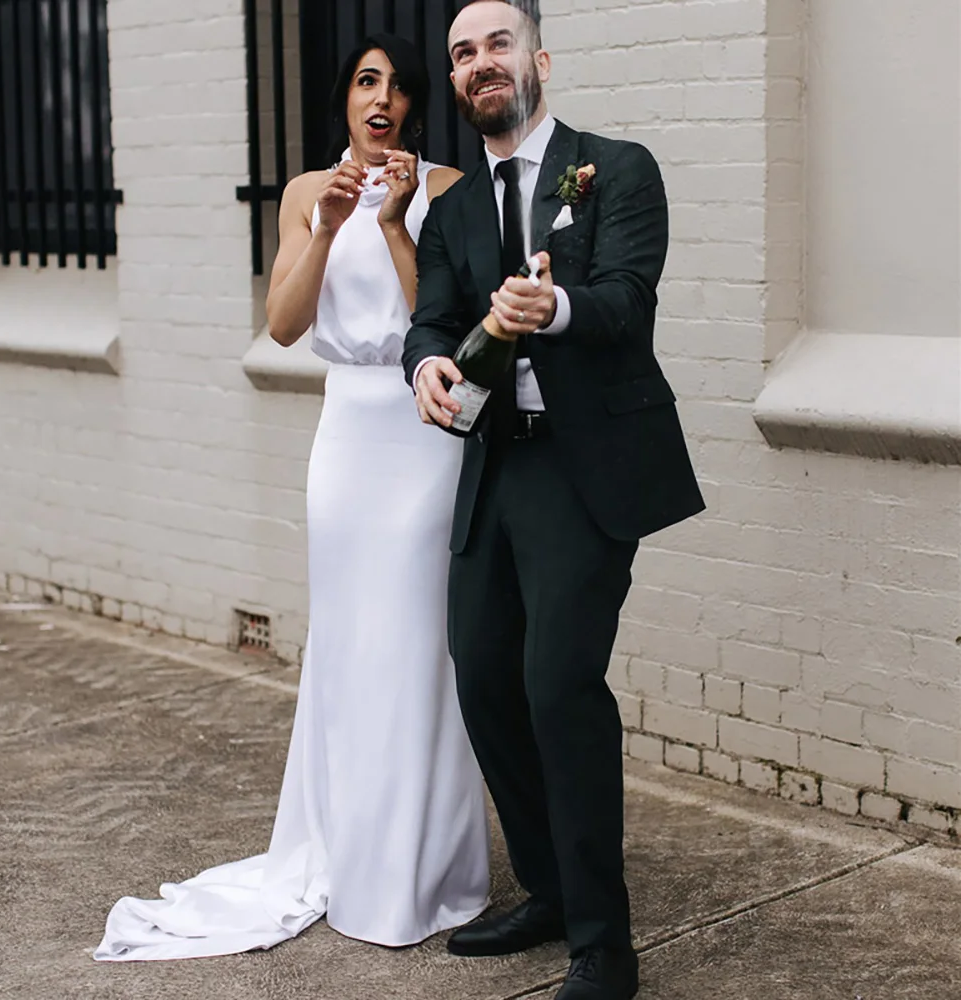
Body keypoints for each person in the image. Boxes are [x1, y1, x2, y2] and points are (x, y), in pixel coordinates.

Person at [94, 34, 490, 962]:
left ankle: (417, 871)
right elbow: (282, 325)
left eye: (395, 85)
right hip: (344, 442)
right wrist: (327, 225)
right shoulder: (309, 194)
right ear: (344, 101)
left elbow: (449, 319)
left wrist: (394, 223)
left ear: (418, 104)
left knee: (418, 647)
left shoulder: (446, 194)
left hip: (422, 435)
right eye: (363, 82)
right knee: (352, 650)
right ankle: (349, 852)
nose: (379, 98)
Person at [403, 2, 705, 997]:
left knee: (556, 685)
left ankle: (602, 940)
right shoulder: (448, 212)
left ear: (537, 59)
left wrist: (557, 305)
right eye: (461, 54)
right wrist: (428, 368)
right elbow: (432, 322)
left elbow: (627, 297)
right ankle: (544, 887)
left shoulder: (614, 169)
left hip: (585, 471)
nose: (479, 64)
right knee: (481, 672)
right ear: (455, 82)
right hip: (496, 464)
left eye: (495, 44)